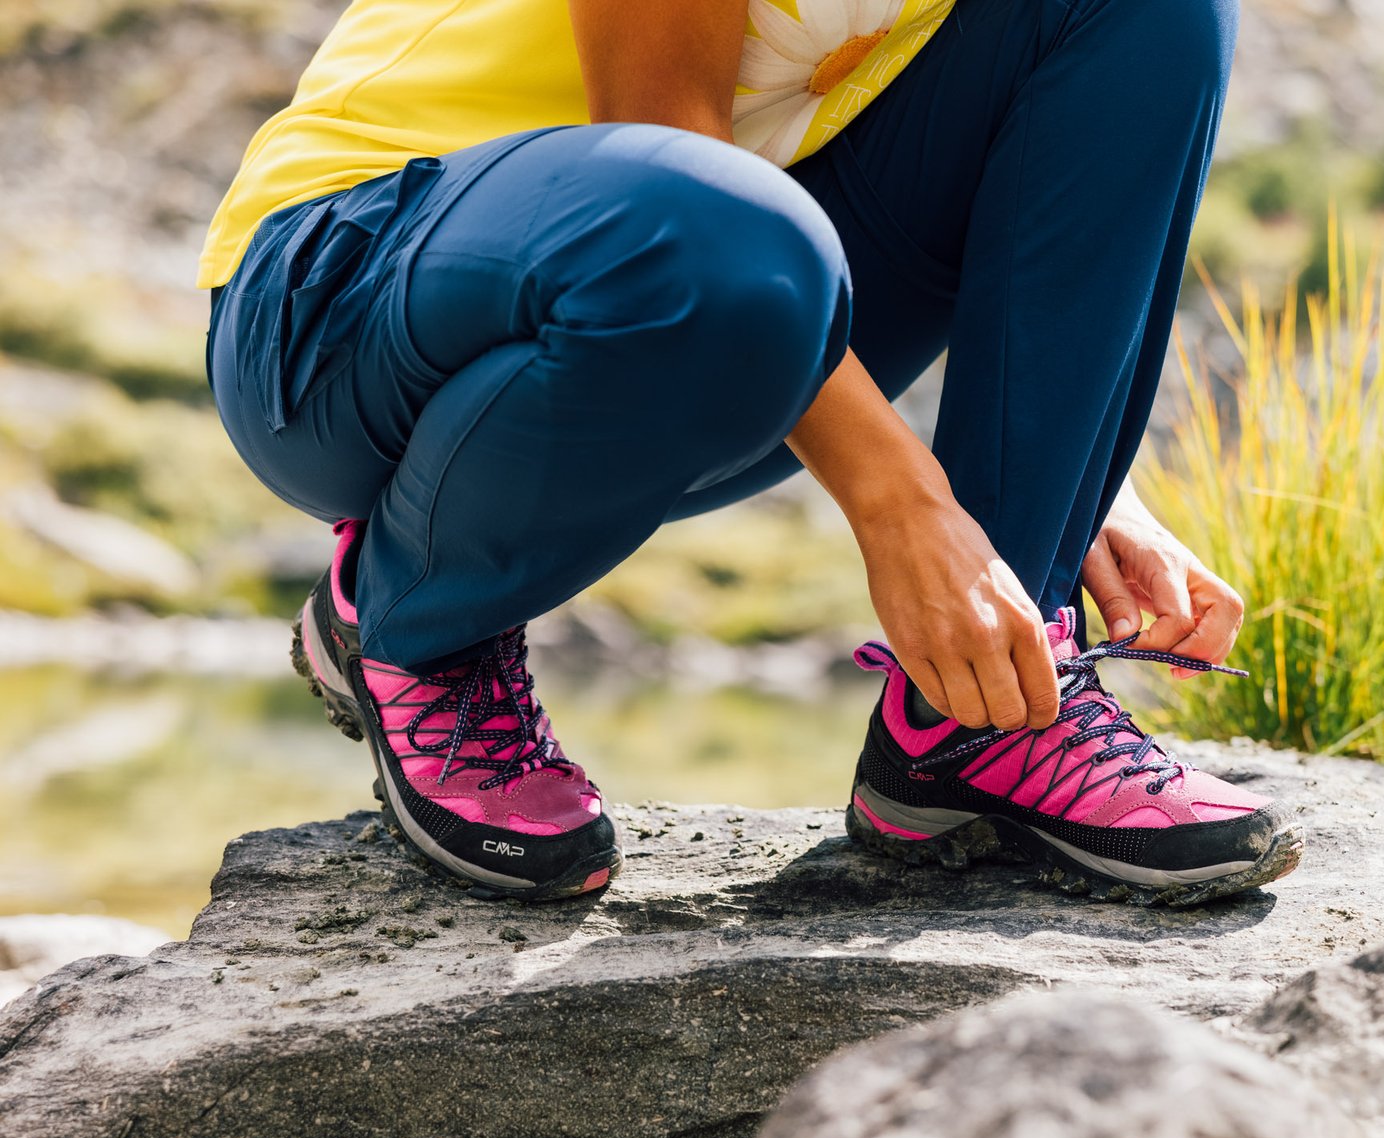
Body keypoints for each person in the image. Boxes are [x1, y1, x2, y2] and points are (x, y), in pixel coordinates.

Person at [203, 0, 1302, 909]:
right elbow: (666, 135)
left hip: (695, 306)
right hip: (341, 297)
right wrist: (900, 502)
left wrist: (1074, 493)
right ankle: (416, 616)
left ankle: (982, 712)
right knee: (719, 229)